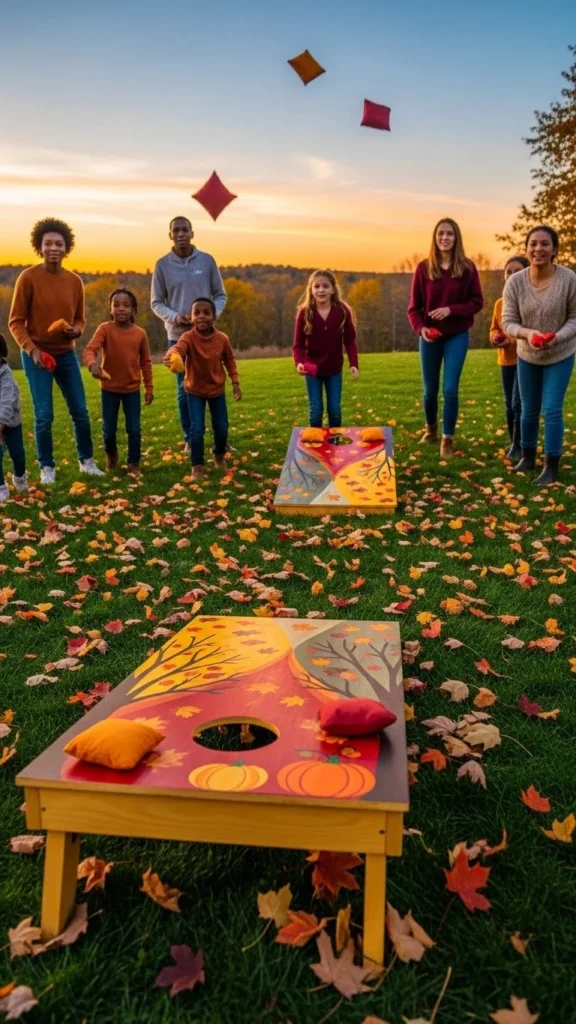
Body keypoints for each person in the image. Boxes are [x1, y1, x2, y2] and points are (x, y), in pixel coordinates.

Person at [8, 218, 103, 484]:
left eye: (58, 244)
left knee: (80, 411)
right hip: (37, 355)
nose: (53, 248)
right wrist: (32, 351)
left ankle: (87, 461)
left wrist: (77, 330)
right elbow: (15, 322)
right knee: (44, 415)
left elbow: (80, 319)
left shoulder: (74, 282)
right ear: (39, 247)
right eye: (48, 243)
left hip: (66, 354)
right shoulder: (27, 278)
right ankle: (47, 466)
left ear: (66, 247)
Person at [502, 225, 576, 485]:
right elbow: (507, 322)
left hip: (560, 354)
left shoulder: (569, 279)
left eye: (545, 244)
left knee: (552, 409)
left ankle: (551, 466)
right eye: (533, 244)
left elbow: (575, 318)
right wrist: (528, 333)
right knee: (528, 410)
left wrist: (556, 336)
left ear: (554, 249)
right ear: (527, 248)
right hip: (527, 355)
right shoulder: (515, 282)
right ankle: (528, 455)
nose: (539, 249)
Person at [408, 218, 484, 457]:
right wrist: (421, 330)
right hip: (430, 337)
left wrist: (452, 309)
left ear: (456, 237)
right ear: (435, 237)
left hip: (456, 336)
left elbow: (477, 302)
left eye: (449, 234)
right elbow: (413, 309)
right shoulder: (423, 268)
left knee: (450, 389)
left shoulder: (467, 268)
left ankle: (447, 440)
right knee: (430, 391)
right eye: (441, 233)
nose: (445, 238)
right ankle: (431, 429)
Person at [151, 217, 227, 446]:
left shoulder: (207, 261)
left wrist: (211, 316)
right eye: (176, 230)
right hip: (178, 337)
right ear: (170, 235)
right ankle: (190, 439)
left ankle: (220, 440)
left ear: (192, 233)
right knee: (184, 391)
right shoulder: (162, 265)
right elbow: (156, 302)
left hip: (207, 338)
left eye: (185, 230)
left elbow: (220, 295)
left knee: (214, 387)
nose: (181, 233)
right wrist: (176, 316)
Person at [163, 297, 240, 479]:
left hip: (217, 390)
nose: (201, 317)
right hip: (194, 391)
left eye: (206, 313)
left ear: (214, 316)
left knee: (221, 427)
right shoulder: (188, 337)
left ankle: (219, 455)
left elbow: (229, 360)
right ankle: (197, 465)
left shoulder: (222, 339)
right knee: (196, 429)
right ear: (191, 317)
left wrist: (235, 381)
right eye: (197, 313)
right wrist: (171, 354)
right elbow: (178, 349)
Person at [84, 288, 153, 476]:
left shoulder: (140, 334)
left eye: (126, 305)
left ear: (133, 310)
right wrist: (92, 365)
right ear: (110, 308)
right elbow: (90, 350)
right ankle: (111, 456)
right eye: (116, 305)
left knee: (134, 428)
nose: (121, 309)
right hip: (109, 389)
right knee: (109, 430)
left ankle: (133, 463)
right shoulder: (105, 329)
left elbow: (146, 362)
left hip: (132, 389)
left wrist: (148, 387)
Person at [293, 270, 359, 428]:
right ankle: (315, 447)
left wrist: (353, 364)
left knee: (334, 409)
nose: (321, 290)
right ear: (311, 290)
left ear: (333, 289)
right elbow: (298, 345)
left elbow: (350, 341)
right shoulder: (305, 313)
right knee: (316, 410)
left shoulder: (342, 311)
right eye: (316, 286)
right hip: (312, 369)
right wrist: (299, 362)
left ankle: (334, 444)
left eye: (325, 286)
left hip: (334, 369)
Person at [490, 255, 530, 461]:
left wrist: (511, 342)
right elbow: (495, 329)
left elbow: (527, 333)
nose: (512, 276)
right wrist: (496, 339)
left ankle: (519, 445)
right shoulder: (499, 304)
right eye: (508, 272)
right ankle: (513, 440)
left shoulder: (528, 302)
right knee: (509, 403)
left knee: (517, 403)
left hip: (524, 359)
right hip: (505, 360)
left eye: (517, 272)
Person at [0, 333, 28, 502]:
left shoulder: (5, 374)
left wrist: (1, 423)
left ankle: (19, 476)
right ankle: (1, 487)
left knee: (18, 454)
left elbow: (7, 401)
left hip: (10, 422)